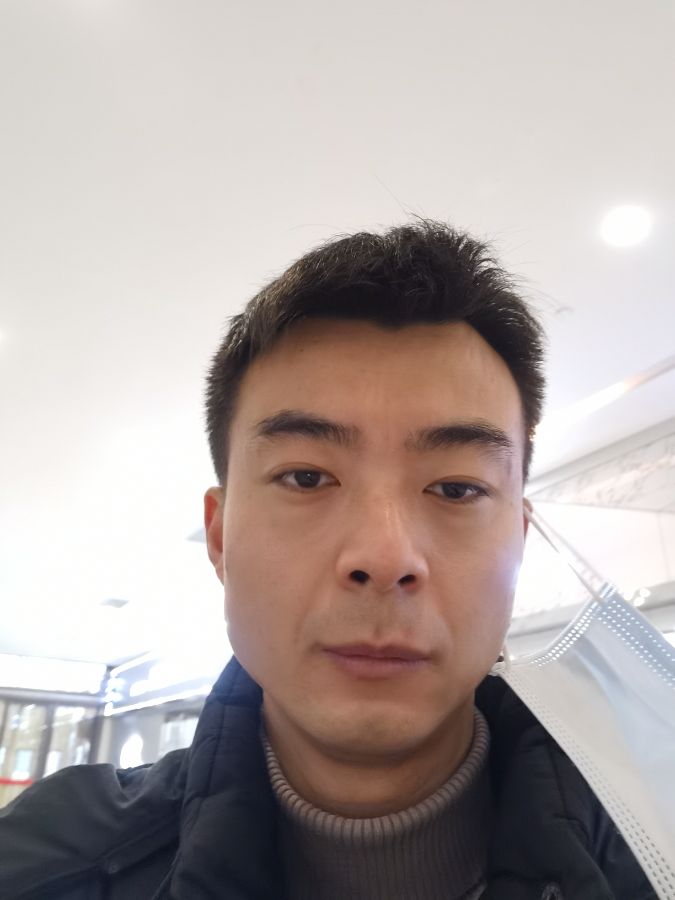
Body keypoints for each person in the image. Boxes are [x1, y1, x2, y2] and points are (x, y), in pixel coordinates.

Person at [0, 221, 656, 900]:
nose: (384, 558)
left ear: (519, 541)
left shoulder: (656, 852)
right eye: (307, 477)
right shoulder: (46, 867)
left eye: (456, 489)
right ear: (219, 538)